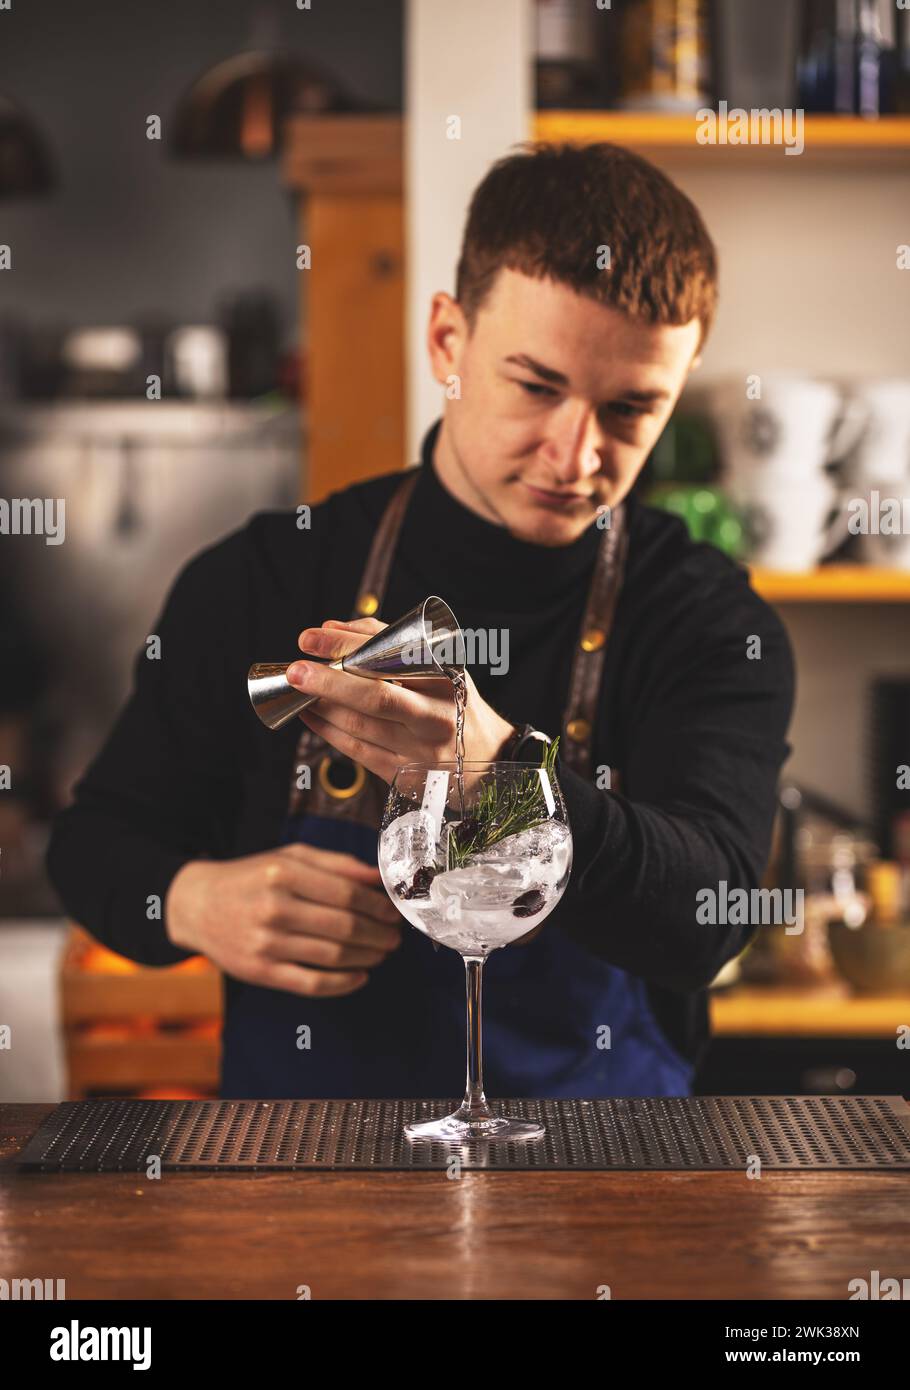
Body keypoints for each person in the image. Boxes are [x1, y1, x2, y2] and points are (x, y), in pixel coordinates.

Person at [47, 142, 795, 1100]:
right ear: (448, 342)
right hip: (302, 1179)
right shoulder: (265, 576)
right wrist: (194, 902)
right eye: (537, 386)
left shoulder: (704, 616)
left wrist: (504, 779)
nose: (577, 455)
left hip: (602, 1189)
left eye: (630, 410)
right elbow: (97, 843)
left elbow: (708, 920)